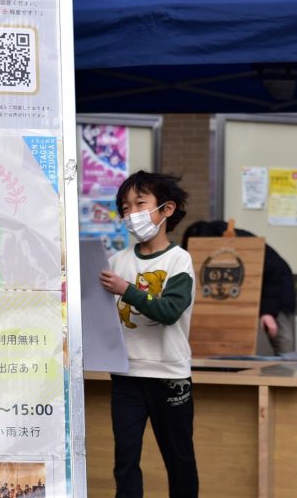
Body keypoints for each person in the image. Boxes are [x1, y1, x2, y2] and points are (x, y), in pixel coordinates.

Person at [98, 170, 199, 498]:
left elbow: (169, 312)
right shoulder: (117, 261)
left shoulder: (179, 261)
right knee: (125, 459)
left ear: (166, 210)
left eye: (140, 204)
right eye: (125, 208)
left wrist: (126, 289)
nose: (131, 214)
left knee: (178, 458)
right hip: (127, 375)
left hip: (169, 374)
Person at [181, 220, 296, 355]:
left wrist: (268, 312)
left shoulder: (241, 242)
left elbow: (274, 273)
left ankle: (286, 372)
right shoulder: (216, 244)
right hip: (247, 291)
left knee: (281, 338)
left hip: (276, 289)